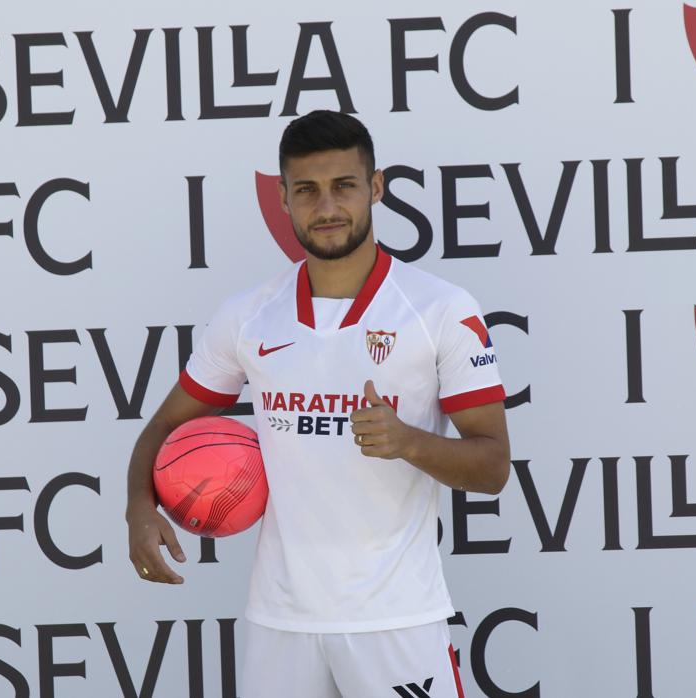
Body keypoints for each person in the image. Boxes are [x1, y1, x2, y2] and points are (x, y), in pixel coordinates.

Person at [125, 110, 510, 697]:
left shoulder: (441, 310)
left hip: (397, 619)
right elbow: (163, 428)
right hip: (281, 622)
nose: (326, 207)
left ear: (375, 187)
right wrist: (139, 507)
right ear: (283, 198)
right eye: (306, 190)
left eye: (343, 186)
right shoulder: (249, 316)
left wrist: (408, 441)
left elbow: (493, 466)